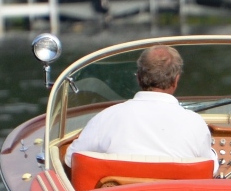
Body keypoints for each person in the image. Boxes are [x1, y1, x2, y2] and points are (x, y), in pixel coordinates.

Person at [69, 45, 216, 171]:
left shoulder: (106, 118)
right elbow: (211, 168)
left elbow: (71, 159)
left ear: (138, 77)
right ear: (176, 80)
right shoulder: (195, 124)